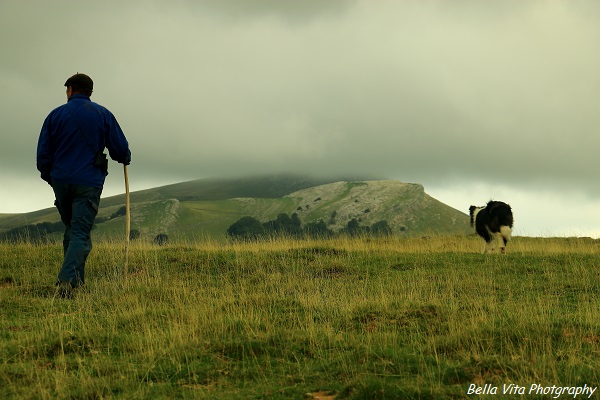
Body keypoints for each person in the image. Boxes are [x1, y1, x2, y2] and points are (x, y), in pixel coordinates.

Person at [37, 73, 131, 298]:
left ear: (70, 89)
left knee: (71, 230)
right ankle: (65, 282)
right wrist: (125, 157)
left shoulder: (54, 115)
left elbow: (43, 155)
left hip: (60, 181)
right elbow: (121, 148)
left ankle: (76, 284)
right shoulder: (102, 114)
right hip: (88, 181)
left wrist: (50, 177)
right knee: (80, 233)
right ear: (90, 92)